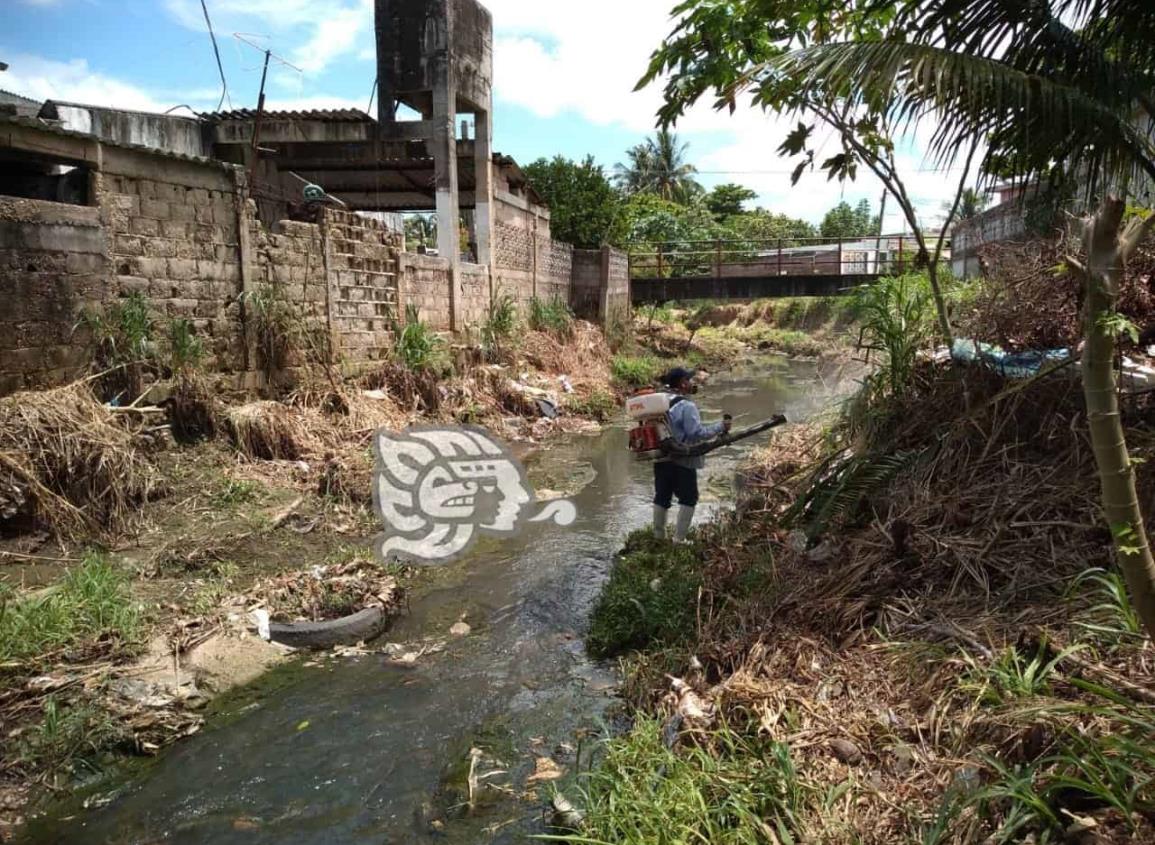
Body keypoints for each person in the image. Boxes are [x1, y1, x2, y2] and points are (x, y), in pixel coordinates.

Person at [653, 366, 731, 542]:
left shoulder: (658, 401)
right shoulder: (687, 406)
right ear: (682, 383)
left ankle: (658, 537)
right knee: (689, 498)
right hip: (682, 459)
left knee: (662, 496)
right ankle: (679, 540)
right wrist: (720, 427)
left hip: (660, 457)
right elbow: (696, 433)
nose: (692, 383)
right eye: (689, 380)